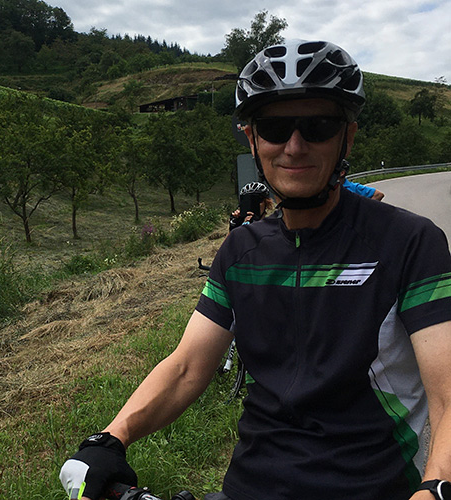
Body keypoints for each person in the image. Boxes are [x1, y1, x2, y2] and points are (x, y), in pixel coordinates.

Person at [60, 40, 451, 500]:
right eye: (275, 127)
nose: (295, 145)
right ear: (252, 139)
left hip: (367, 487)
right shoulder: (241, 251)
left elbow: (446, 391)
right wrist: (110, 439)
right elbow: (188, 367)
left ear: (348, 136)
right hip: (249, 488)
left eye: (319, 126)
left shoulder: (409, 243)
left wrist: (438, 484)